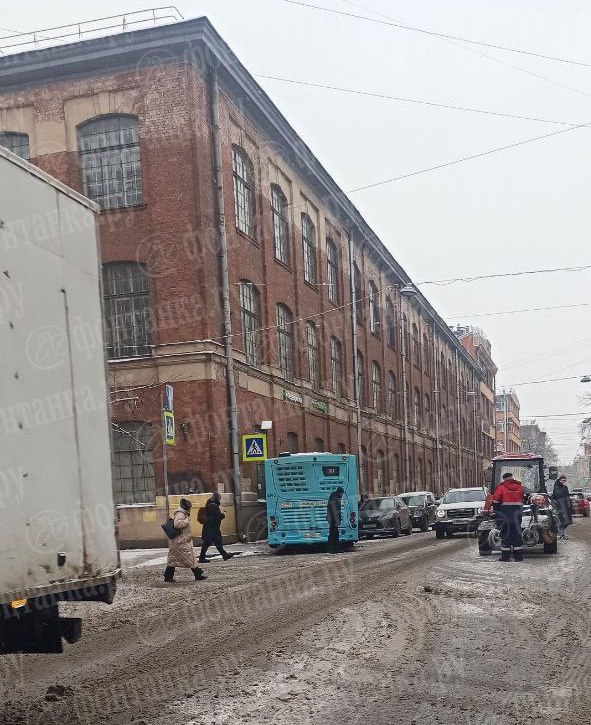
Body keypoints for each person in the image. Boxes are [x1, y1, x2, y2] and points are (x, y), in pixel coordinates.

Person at [164, 498, 206, 583]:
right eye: (190, 507)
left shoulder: (183, 514)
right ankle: (197, 573)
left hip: (181, 541)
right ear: (187, 507)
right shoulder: (181, 514)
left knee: (175, 559)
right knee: (188, 558)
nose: (190, 508)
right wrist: (187, 521)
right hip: (180, 541)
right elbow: (177, 524)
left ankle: (168, 576)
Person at [492, 472, 525, 562]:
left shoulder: (501, 487)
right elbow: (522, 499)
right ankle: (518, 557)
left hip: (505, 516)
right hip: (517, 516)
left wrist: (497, 511)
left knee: (506, 535)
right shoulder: (520, 487)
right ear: (511, 478)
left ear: (504, 479)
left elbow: (495, 500)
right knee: (517, 535)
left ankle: (506, 557)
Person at [198, 492, 236, 563]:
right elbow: (216, 516)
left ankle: (224, 555)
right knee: (210, 543)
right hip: (212, 528)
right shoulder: (213, 505)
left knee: (214, 542)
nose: (220, 500)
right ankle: (202, 558)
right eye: (219, 498)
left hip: (209, 527)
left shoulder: (210, 504)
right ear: (216, 498)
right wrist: (222, 515)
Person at [552, 475, 572, 540]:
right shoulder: (557, 486)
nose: (564, 482)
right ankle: (561, 534)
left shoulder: (564, 487)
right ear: (560, 480)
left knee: (567, 521)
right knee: (562, 521)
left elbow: (567, 496)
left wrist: (569, 505)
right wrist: (564, 488)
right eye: (563, 480)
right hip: (559, 506)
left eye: (565, 480)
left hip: (565, 506)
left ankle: (561, 533)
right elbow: (558, 495)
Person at [327, 486, 344, 554]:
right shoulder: (334, 498)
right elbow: (334, 510)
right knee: (332, 534)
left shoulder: (335, 497)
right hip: (333, 519)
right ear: (339, 492)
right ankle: (331, 549)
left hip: (334, 519)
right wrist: (336, 520)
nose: (342, 494)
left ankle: (336, 549)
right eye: (342, 493)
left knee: (336, 534)